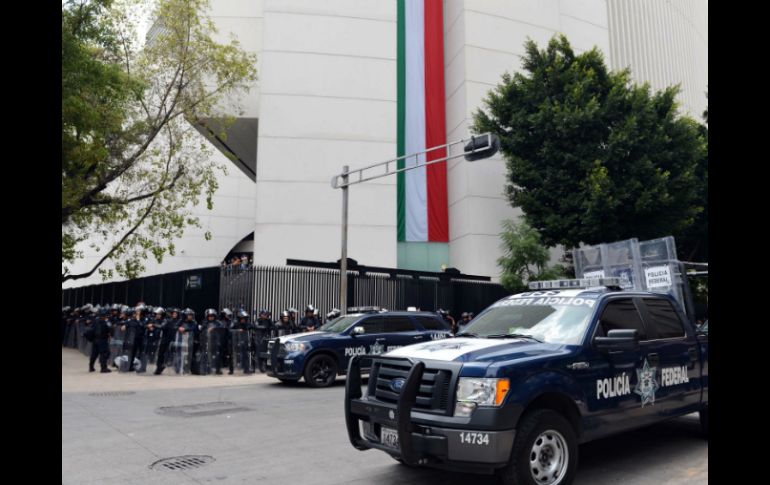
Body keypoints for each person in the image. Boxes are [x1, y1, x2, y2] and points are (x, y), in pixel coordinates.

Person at [154, 308, 180, 375]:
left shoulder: (168, 320)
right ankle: (160, 367)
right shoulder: (173, 320)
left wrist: (154, 325)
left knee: (163, 354)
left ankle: (160, 367)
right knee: (163, 354)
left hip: (168, 340)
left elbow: (162, 327)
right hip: (169, 340)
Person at [88, 308, 113, 373]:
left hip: (95, 340)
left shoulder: (95, 321)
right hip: (103, 340)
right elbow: (111, 330)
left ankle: (91, 367)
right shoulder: (106, 322)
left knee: (94, 354)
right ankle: (103, 368)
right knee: (104, 353)